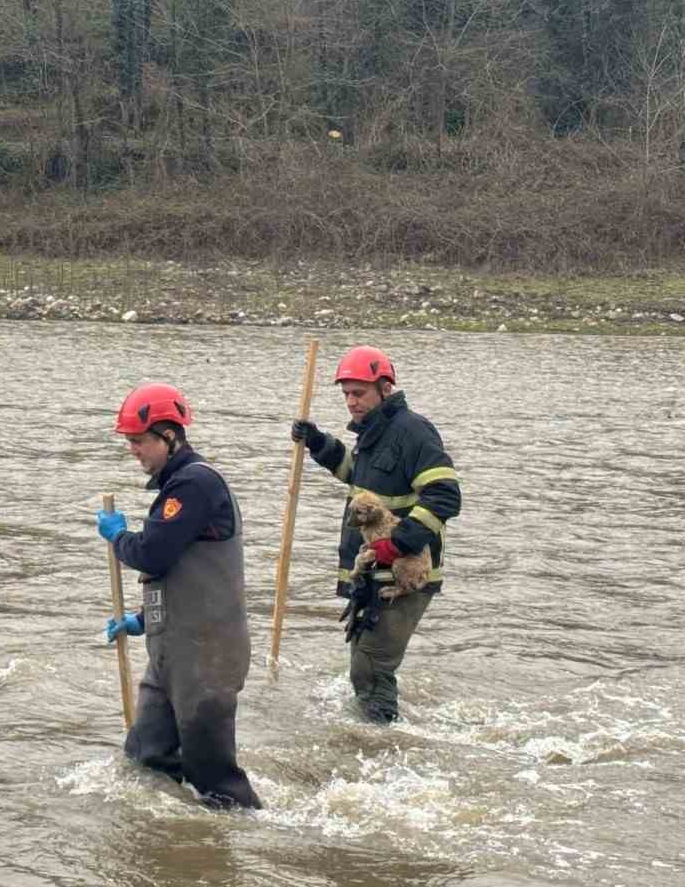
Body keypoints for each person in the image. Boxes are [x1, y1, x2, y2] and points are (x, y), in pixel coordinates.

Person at [97, 382, 262, 810]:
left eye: (139, 441)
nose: (133, 450)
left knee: (215, 778)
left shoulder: (195, 485)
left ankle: (250, 841)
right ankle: (172, 850)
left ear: (169, 436)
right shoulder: (177, 486)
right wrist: (143, 618)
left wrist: (119, 538)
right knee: (146, 756)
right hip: (173, 649)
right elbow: (180, 573)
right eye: (129, 441)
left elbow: (153, 554)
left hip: (208, 654)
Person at [291, 346, 461, 724]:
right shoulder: (373, 433)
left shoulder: (412, 432)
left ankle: (383, 742)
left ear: (384, 389)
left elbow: (445, 495)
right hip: (373, 574)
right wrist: (319, 443)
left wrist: (398, 544)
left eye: (359, 393)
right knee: (362, 663)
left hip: (403, 574)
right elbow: (358, 476)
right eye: (346, 394)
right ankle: (372, 737)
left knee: (370, 667)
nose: (351, 402)